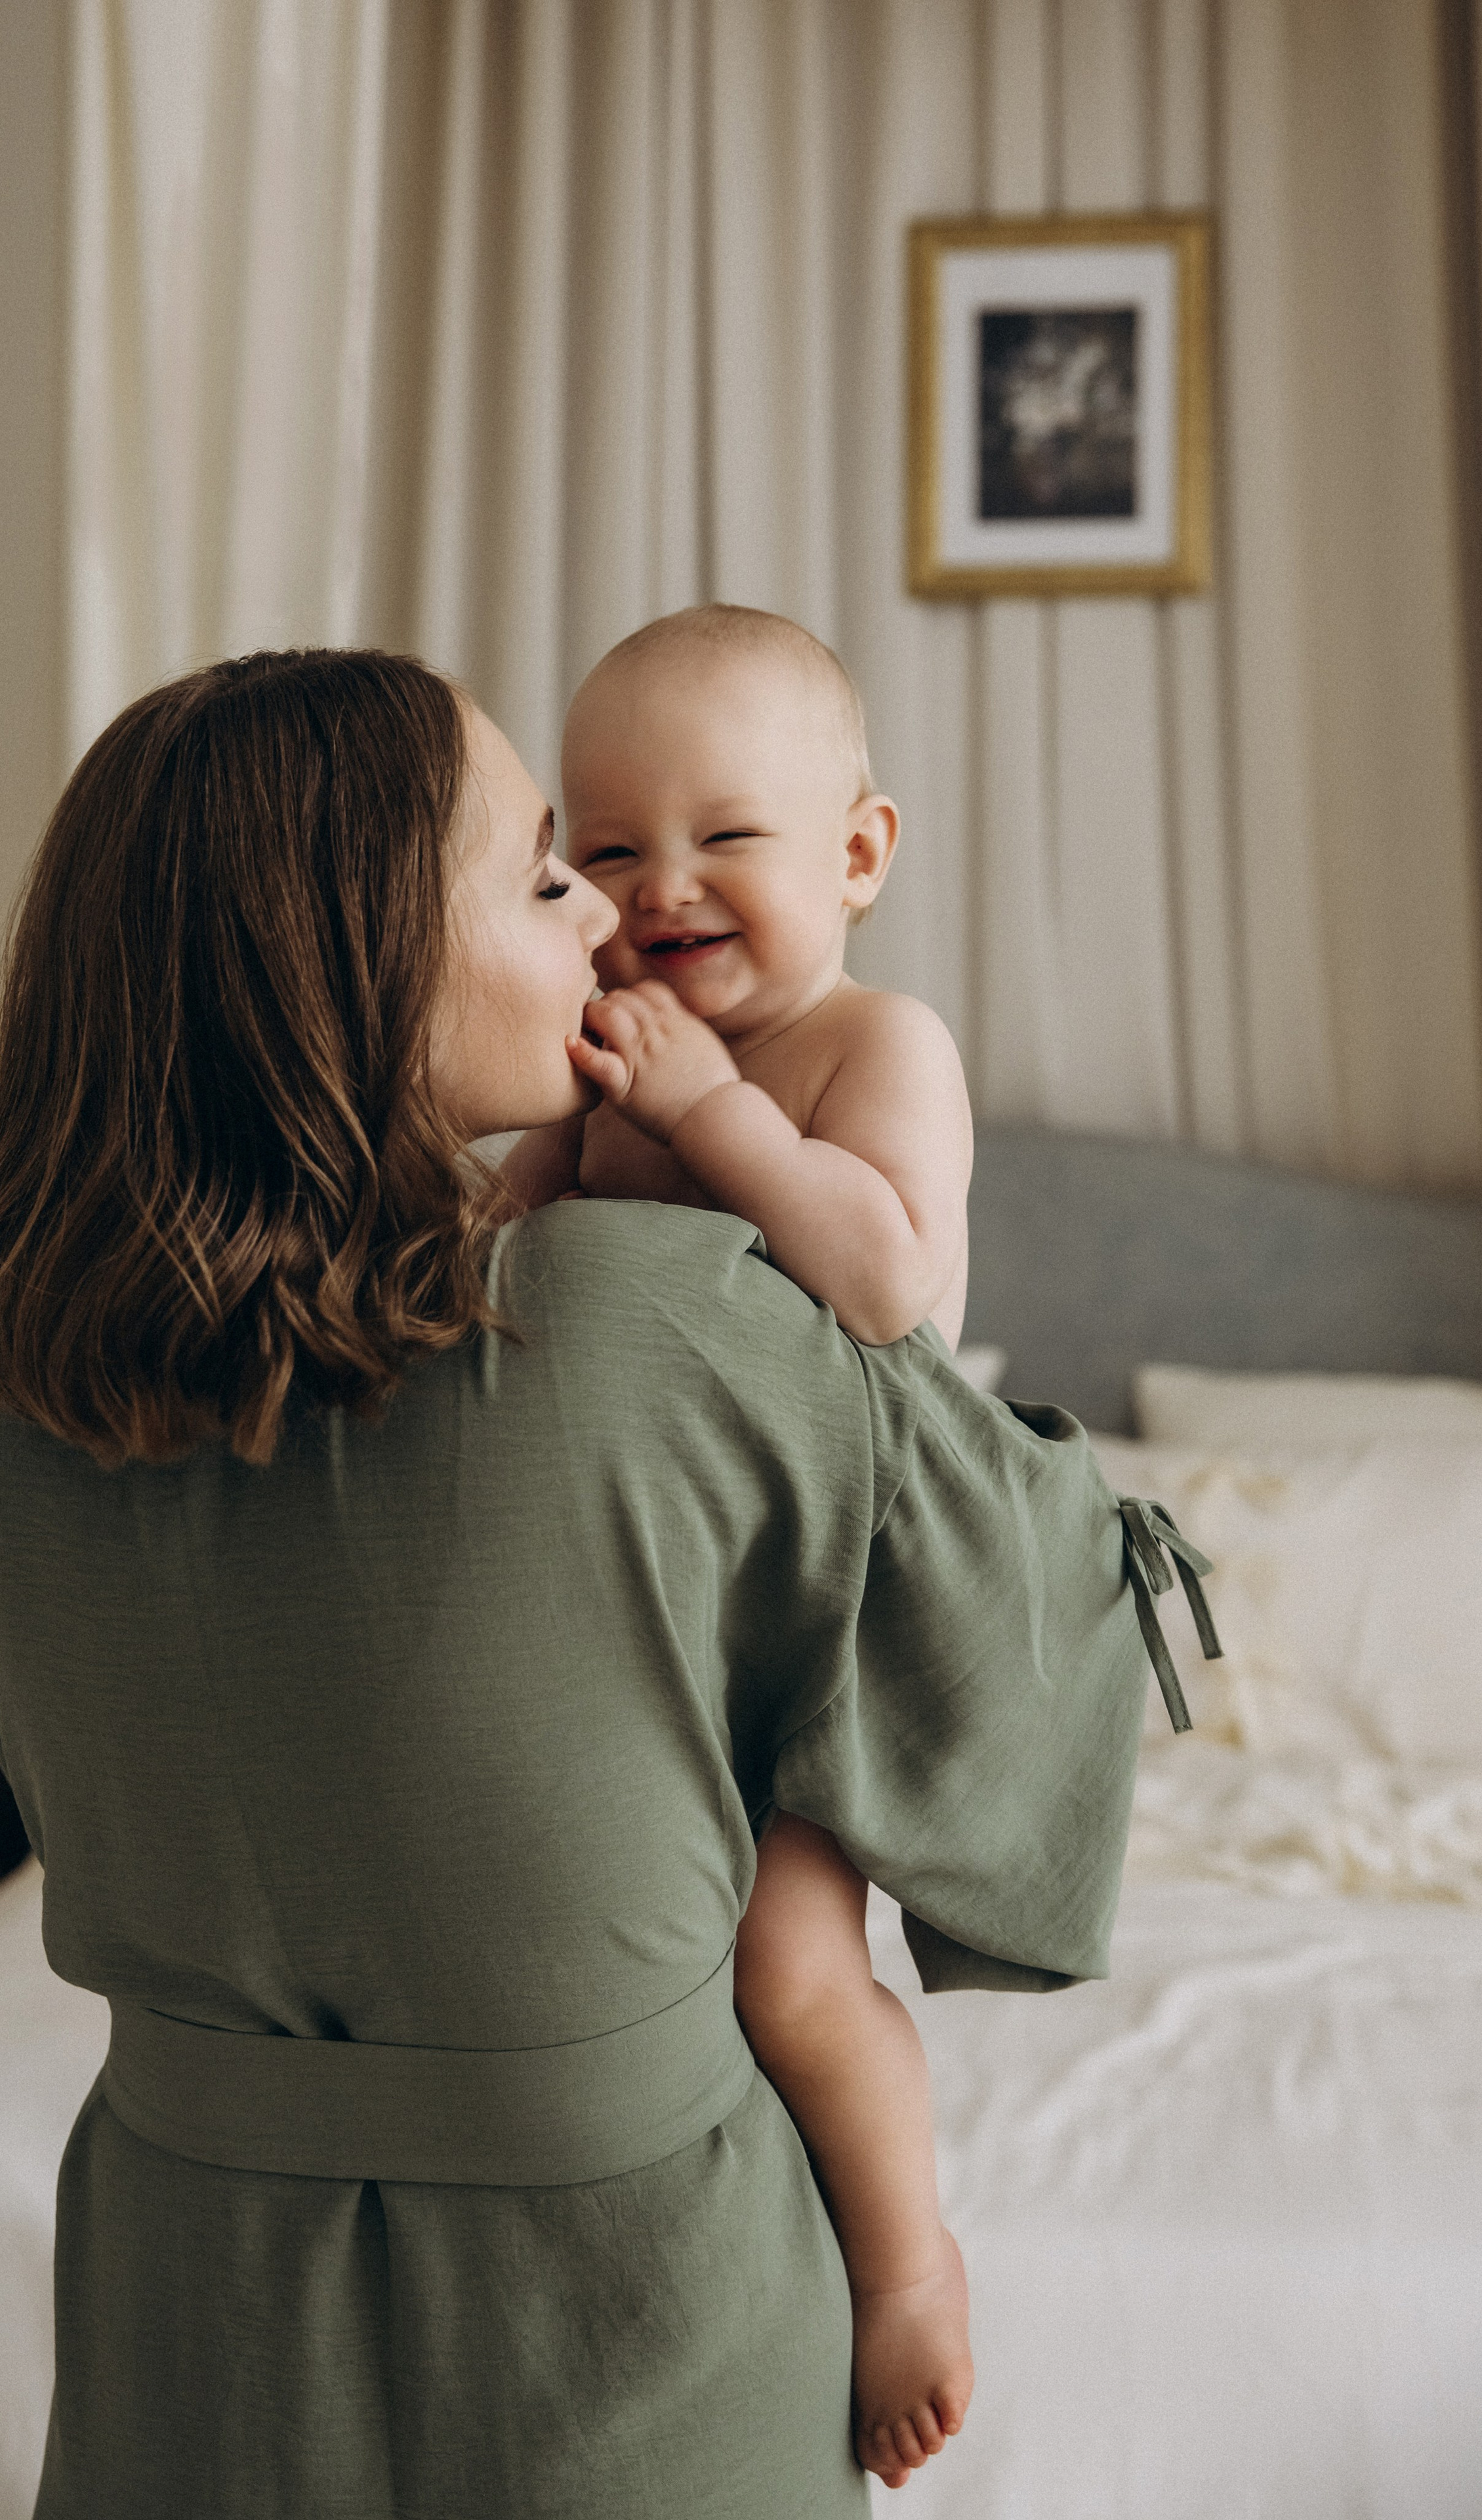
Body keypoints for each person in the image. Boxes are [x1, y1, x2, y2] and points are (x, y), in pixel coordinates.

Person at [0, 648, 1177, 2520]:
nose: (612, 914)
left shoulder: (13, 1411)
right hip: (630, 2336)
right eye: (544, 872)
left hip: (188, 2319)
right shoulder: (648, 1312)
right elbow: (1006, 1660)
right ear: (354, 968)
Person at [506, 603, 974, 2482]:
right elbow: (502, 1244)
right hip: (629, 1610)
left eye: (726, 837)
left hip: (826, 1601)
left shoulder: (875, 1044)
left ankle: (904, 2261)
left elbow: (888, 1287)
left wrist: (709, 1113)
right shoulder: (605, 1065)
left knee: (785, 1967)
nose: (662, 885)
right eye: (605, 851)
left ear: (857, 854)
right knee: (605, 1960)